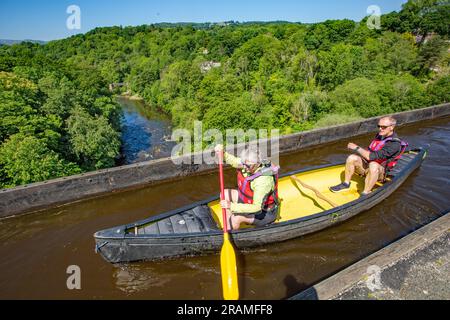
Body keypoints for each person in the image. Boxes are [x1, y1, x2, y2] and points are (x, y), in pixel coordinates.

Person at [329, 116, 408, 196]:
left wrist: (356, 148)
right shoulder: (380, 135)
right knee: (352, 158)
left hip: (379, 173)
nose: (380, 129)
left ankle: (366, 192)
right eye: (379, 126)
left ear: (392, 127)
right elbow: (369, 152)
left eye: (383, 127)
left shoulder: (394, 144)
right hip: (368, 166)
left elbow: (371, 157)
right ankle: (346, 184)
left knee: (373, 165)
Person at [214, 144, 279, 231]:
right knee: (225, 194)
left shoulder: (263, 181)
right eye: (244, 164)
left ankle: (230, 230)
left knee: (237, 218)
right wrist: (223, 154)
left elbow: (257, 207)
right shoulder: (248, 163)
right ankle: (228, 226)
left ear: (258, 163)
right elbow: (234, 161)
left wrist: (231, 206)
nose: (244, 167)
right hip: (248, 202)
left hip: (263, 212)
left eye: (248, 166)